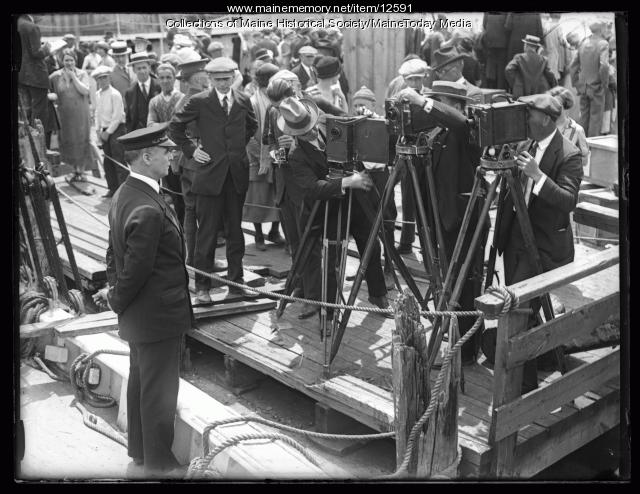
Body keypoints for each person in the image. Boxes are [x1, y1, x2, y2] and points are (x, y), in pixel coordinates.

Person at [92, 123, 192, 478]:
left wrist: (116, 296)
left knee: (141, 383)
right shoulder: (148, 207)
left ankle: (140, 451)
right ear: (147, 156)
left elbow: (111, 253)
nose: (172, 156)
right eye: (166, 152)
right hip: (158, 316)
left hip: (140, 316)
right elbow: (135, 269)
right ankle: (160, 464)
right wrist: (119, 298)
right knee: (159, 391)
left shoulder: (124, 194)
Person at [495, 93, 582, 392]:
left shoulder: (569, 154)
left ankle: (524, 388)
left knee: (519, 314)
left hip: (543, 246)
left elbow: (568, 201)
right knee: (520, 311)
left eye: (529, 115)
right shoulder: (525, 144)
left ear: (545, 119)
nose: (524, 121)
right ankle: (529, 369)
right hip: (515, 241)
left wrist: (538, 175)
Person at [396, 81, 485, 365]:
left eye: (439, 102)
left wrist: (423, 102)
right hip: (438, 220)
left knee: (464, 286)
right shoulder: (435, 131)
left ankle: (466, 351)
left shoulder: (467, 128)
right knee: (445, 282)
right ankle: (451, 336)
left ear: (456, 105)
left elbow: (460, 123)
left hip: (462, 221)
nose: (433, 108)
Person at [282, 97, 390, 316]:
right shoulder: (296, 155)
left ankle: (378, 295)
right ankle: (329, 313)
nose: (310, 132)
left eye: (311, 126)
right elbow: (314, 188)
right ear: (294, 133)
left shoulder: (329, 125)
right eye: (303, 131)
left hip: (358, 201)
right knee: (332, 259)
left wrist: (364, 116)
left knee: (371, 245)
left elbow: (352, 125)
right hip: (327, 210)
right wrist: (347, 182)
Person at [169, 57, 258, 305]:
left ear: (233, 77)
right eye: (217, 80)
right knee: (206, 235)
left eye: (226, 79)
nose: (221, 83)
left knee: (235, 233)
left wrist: (236, 149)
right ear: (209, 79)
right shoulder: (198, 101)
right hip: (209, 177)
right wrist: (191, 150)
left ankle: (236, 283)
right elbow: (175, 127)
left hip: (236, 177)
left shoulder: (242, 99)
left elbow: (252, 126)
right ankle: (202, 287)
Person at [172, 58, 226, 270]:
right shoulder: (203, 100)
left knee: (191, 210)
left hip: (188, 160)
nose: (208, 76)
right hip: (203, 160)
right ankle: (205, 262)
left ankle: (193, 259)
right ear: (197, 77)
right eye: (205, 73)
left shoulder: (183, 99)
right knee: (207, 213)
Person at [243, 62, 285, 251]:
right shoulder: (252, 102)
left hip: (278, 154)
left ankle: (274, 231)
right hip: (257, 156)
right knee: (258, 198)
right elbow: (248, 135)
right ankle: (258, 234)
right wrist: (262, 157)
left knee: (278, 196)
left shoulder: (280, 101)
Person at [395, 57, 430, 255]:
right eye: (410, 80)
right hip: (406, 152)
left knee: (426, 200)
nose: (415, 84)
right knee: (407, 198)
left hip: (425, 153)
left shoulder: (429, 98)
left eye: (418, 79)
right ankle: (406, 241)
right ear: (404, 80)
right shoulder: (400, 98)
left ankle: (427, 244)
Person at [49, 49, 95, 183]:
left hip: (81, 114)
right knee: (68, 140)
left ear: (75, 61)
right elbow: (49, 91)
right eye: (66, 60)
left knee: (82, 139)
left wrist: (73, 77)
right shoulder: (55, 76)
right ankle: (74, 170)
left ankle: (81, 170)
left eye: (71, 60)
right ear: (61, 61)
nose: (69, 63)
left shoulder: (82, 74)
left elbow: (85, 91)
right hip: (65, 115)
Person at [147, 63, 185, 225]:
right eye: (161, 78)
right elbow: (150, 124)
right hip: (164, 151)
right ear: (157, 79)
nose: (165, 81)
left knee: (187, 190)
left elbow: (184, 124)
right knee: (173, 191)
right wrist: (170, 124)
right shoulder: (155, 101)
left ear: (174, 78)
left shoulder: (182, 98)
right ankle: (179, 224)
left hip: (183, 150)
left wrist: (162, 125)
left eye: (169, 77)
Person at [17, 14, 53, 147]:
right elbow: (36, 52)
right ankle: (38, 143)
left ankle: (27, 140)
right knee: (39, 110)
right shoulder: (31, 27)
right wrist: (47, 49)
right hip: (35, 76)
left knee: (26, 110)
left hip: (21, 75)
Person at [569, 21, 610, 137]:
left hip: (584, 88)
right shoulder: (603, 44)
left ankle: (582, 146)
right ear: (601, 29)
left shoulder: (583, 42)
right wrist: (604, 83)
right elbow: (604, 66)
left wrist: (577, 84)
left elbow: (573, 66)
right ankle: (593, 150)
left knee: (584, 117)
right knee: (596, 120)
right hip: (597, 87)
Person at [93, 66, 128, 198]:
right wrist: (98, 130)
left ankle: (123, 191)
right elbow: (97, 113)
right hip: (104, 130)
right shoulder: (98, 94)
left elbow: (117, 116)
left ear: (109, 78)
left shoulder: (115, 94)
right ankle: (112, 188)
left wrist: (108, 132)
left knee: (118, 159)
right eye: (100, 78)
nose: (103, 80)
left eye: (105, 77)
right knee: (107, 161)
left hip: (117, 129)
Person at [547, 86, 590, 169]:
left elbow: (585, 160)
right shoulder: (545, 127)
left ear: (566, 106)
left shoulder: (577, 130)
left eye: (557, 105)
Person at [125, 52, 161, 132]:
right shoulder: (130, 92)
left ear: (149, 68)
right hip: (139, 136)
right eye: (139, 68)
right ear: (134, 70)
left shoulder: (160, 86)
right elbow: (129, 118)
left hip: (158, 132)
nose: (142, 71)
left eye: (144, 67)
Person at [481, 13, 510, 90]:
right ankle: (500, 90)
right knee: (501, 69)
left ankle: (490, 89)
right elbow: (508, 26)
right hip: (503, 43)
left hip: (490, 42)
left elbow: (484, 24)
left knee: (491, 67)